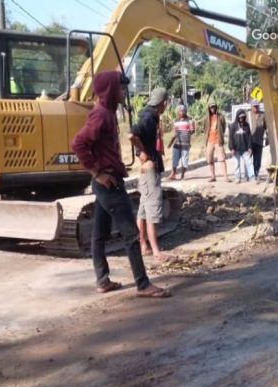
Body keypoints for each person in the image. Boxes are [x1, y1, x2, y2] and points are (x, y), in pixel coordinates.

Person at [71, 71, 170, 298]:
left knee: (99, 233)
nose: (124, 93)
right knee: (131, 234)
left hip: (108, 180)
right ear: (109, 91)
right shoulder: (101, 115)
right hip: (109, 182)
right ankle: (143, 285)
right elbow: (78, 143)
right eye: (121, 88)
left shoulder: (107, 112)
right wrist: (97, 172)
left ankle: (103, 280)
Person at [129, 87, 173, 262]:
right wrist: (142, 152)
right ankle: (156, 251)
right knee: (153, 211)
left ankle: (144, 246)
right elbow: (131, 134)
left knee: (143, 212)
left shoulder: (148, 115)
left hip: (146, 172)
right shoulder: (149, 118)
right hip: (149, 171)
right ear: (163, 103)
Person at [203, 102, 229, 182]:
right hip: (209, 141)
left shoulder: (220, 116)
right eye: (211, 107)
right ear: (209, 109)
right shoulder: (206, 118)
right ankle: (213, 176)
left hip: (218, 141)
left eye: (214, 107)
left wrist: (220, 135)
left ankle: (225, 176)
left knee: (222, 159)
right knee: (210, 159)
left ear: (216, 107)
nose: (213, 109)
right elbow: (205, 128)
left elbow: (223, 127)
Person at [168, 104, 195, 180]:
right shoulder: (176, 121)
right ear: (178, 112)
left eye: (183, 110)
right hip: (177, 143)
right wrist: (170, 142)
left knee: (184, 160)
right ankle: (173, 174)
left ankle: (182, 176)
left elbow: (192, 130)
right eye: (180, 111)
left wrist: (186, 132)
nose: (182, 112)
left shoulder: (189, 120)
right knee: (175, 159)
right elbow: (174, 132)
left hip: (185, 143)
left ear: (185, 111)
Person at [228, 109, 253, 183]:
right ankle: (237, 178)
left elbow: (249, 137)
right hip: (236, 149)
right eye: (240, 117)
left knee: (249, 163)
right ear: (237, 117)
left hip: (245, 148)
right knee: (237, 164)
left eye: (243, 117)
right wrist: (231, 148)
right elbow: (231, 138)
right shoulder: (233, 126)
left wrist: (250, 147)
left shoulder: (246, 125)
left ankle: (251, 177)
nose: (241, 119)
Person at [250, 100, 266, 182]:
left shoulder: (263, 115)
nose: (256, 108)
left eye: (257, 106)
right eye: (254, 106)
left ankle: (256, 173)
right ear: (251, 107)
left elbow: (267, 127)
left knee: (258, 159)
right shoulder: (248, 115)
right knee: (248, 158)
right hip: (250, 140)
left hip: (259, 140)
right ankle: (250, 174)